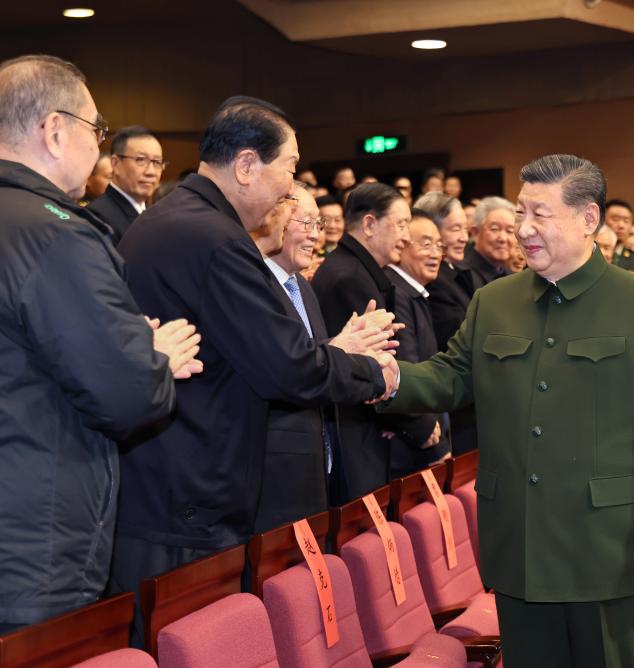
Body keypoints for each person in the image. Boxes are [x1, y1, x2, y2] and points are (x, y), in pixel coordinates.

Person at [380, 154, 634, 667]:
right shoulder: (494, 301)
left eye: (539, 215)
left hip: (608, 551)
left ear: (588, 219)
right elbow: (450, 376)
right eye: (519, 213)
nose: (523, 230)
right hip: (520, 546)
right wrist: (384, 376)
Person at [112, 97, 397, 635]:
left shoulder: (169, 220)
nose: (289, 189)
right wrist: (372, 372)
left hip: (159, 484)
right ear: (246, 165)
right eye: (288, 169)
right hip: (190, 497)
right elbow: (288, 366)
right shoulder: (216, 240)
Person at [0, 54, 200, 632]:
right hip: (33, 540)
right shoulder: (55, 232)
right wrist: (154, 357)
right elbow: (125, 391)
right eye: (97, 129)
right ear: (55, 130)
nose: (99, 147)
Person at [250, 184, 344, 532]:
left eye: (318, 225)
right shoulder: (255, 283)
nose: (314, 236)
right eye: (305, 222)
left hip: (316, 466)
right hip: (274, 476)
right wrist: (342, 351)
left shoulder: (302, 285)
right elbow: (287, 369)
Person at [311, 182, 412, 502]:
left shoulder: (359, 270)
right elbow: (371, 366)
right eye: (401, 224)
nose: (406, 236)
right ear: (369, 224)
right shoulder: (349, 277)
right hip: (356, 436)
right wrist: (418, 427)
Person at [384, 210, 451, 477]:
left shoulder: (415, 293)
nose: (436, 253)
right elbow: (405, 368)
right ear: (401, 245)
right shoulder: (396, 292)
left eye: (438, 245)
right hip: (412, 447)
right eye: (425, 244)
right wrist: (430, 435)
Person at [414, 190, 478, 455]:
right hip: (451, 407)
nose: (464, 237)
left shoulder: (455, 273)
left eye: (465, 228)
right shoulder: (433, 281)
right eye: (455, 229)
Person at [88, 126, 165, 242]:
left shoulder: (155, 215)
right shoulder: (98, 217)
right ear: (115, 164)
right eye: (140, 160)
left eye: (157, 162)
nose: (151, 172)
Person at [465, 196, 515, 285]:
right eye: (494, 229)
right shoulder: (463, 275)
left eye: (509, 231)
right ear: (475, 232)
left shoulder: (511, 276)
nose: (503, 238)